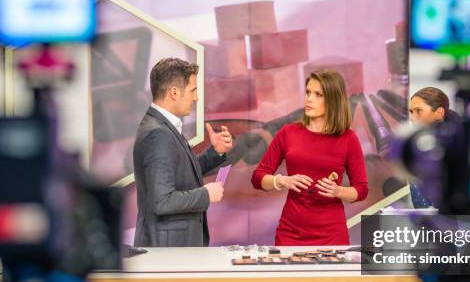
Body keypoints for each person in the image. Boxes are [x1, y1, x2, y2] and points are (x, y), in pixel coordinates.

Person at [251, 69, 368, 245]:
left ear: (333, 100)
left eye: (318, 94)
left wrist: (338, 191)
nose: (309, 99)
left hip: (331, 235)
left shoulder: (348, 139)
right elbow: (257, 178)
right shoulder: (288, 133)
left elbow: (361, 190)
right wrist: (282, 181)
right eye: (308, 92)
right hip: (290, 233)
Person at [133, 57, 232, 247]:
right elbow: (162, 201)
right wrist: (205, 194)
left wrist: (215, 152)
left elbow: (181, 174)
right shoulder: (158, 134)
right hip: (169, 250)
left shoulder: (162, 126)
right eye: (193, 91)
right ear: (174, 92)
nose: (196, 98)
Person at [408, 87, 461, 208]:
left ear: (439, 113)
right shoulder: (418, 144)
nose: (412, 117)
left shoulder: (457, 145)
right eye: (411, 111)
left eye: (418, 111)